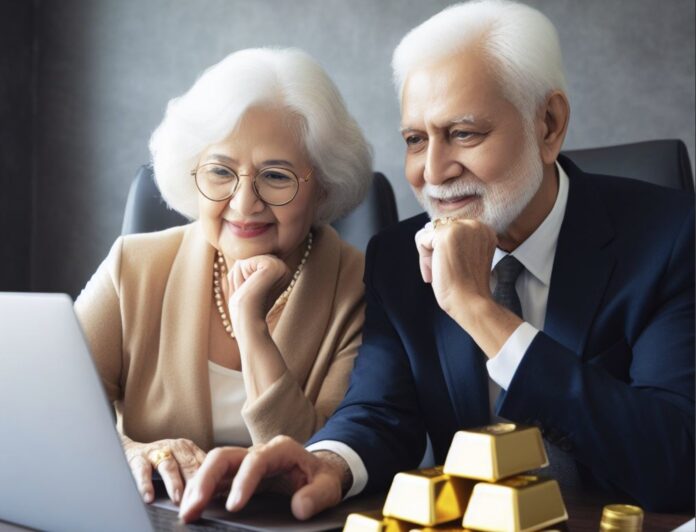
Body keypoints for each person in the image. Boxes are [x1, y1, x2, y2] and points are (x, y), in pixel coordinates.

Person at [178, 0, 695, 522]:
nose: (434, 171)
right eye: (415, 140)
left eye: (464, 133)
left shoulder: (673, 238)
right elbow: (381, 413)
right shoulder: (399, 257)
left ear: (549, 125)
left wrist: (479, 311)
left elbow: (677, 463)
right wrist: (328, 464)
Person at [74, 47, 373, 505]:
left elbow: (311, 465)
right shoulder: (132, 267)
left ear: (325, 186)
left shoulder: (359, 288)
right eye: (220, 171)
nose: (244, 202)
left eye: (276, 176)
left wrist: (252, 327)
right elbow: (51, 413)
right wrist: (131, 451)